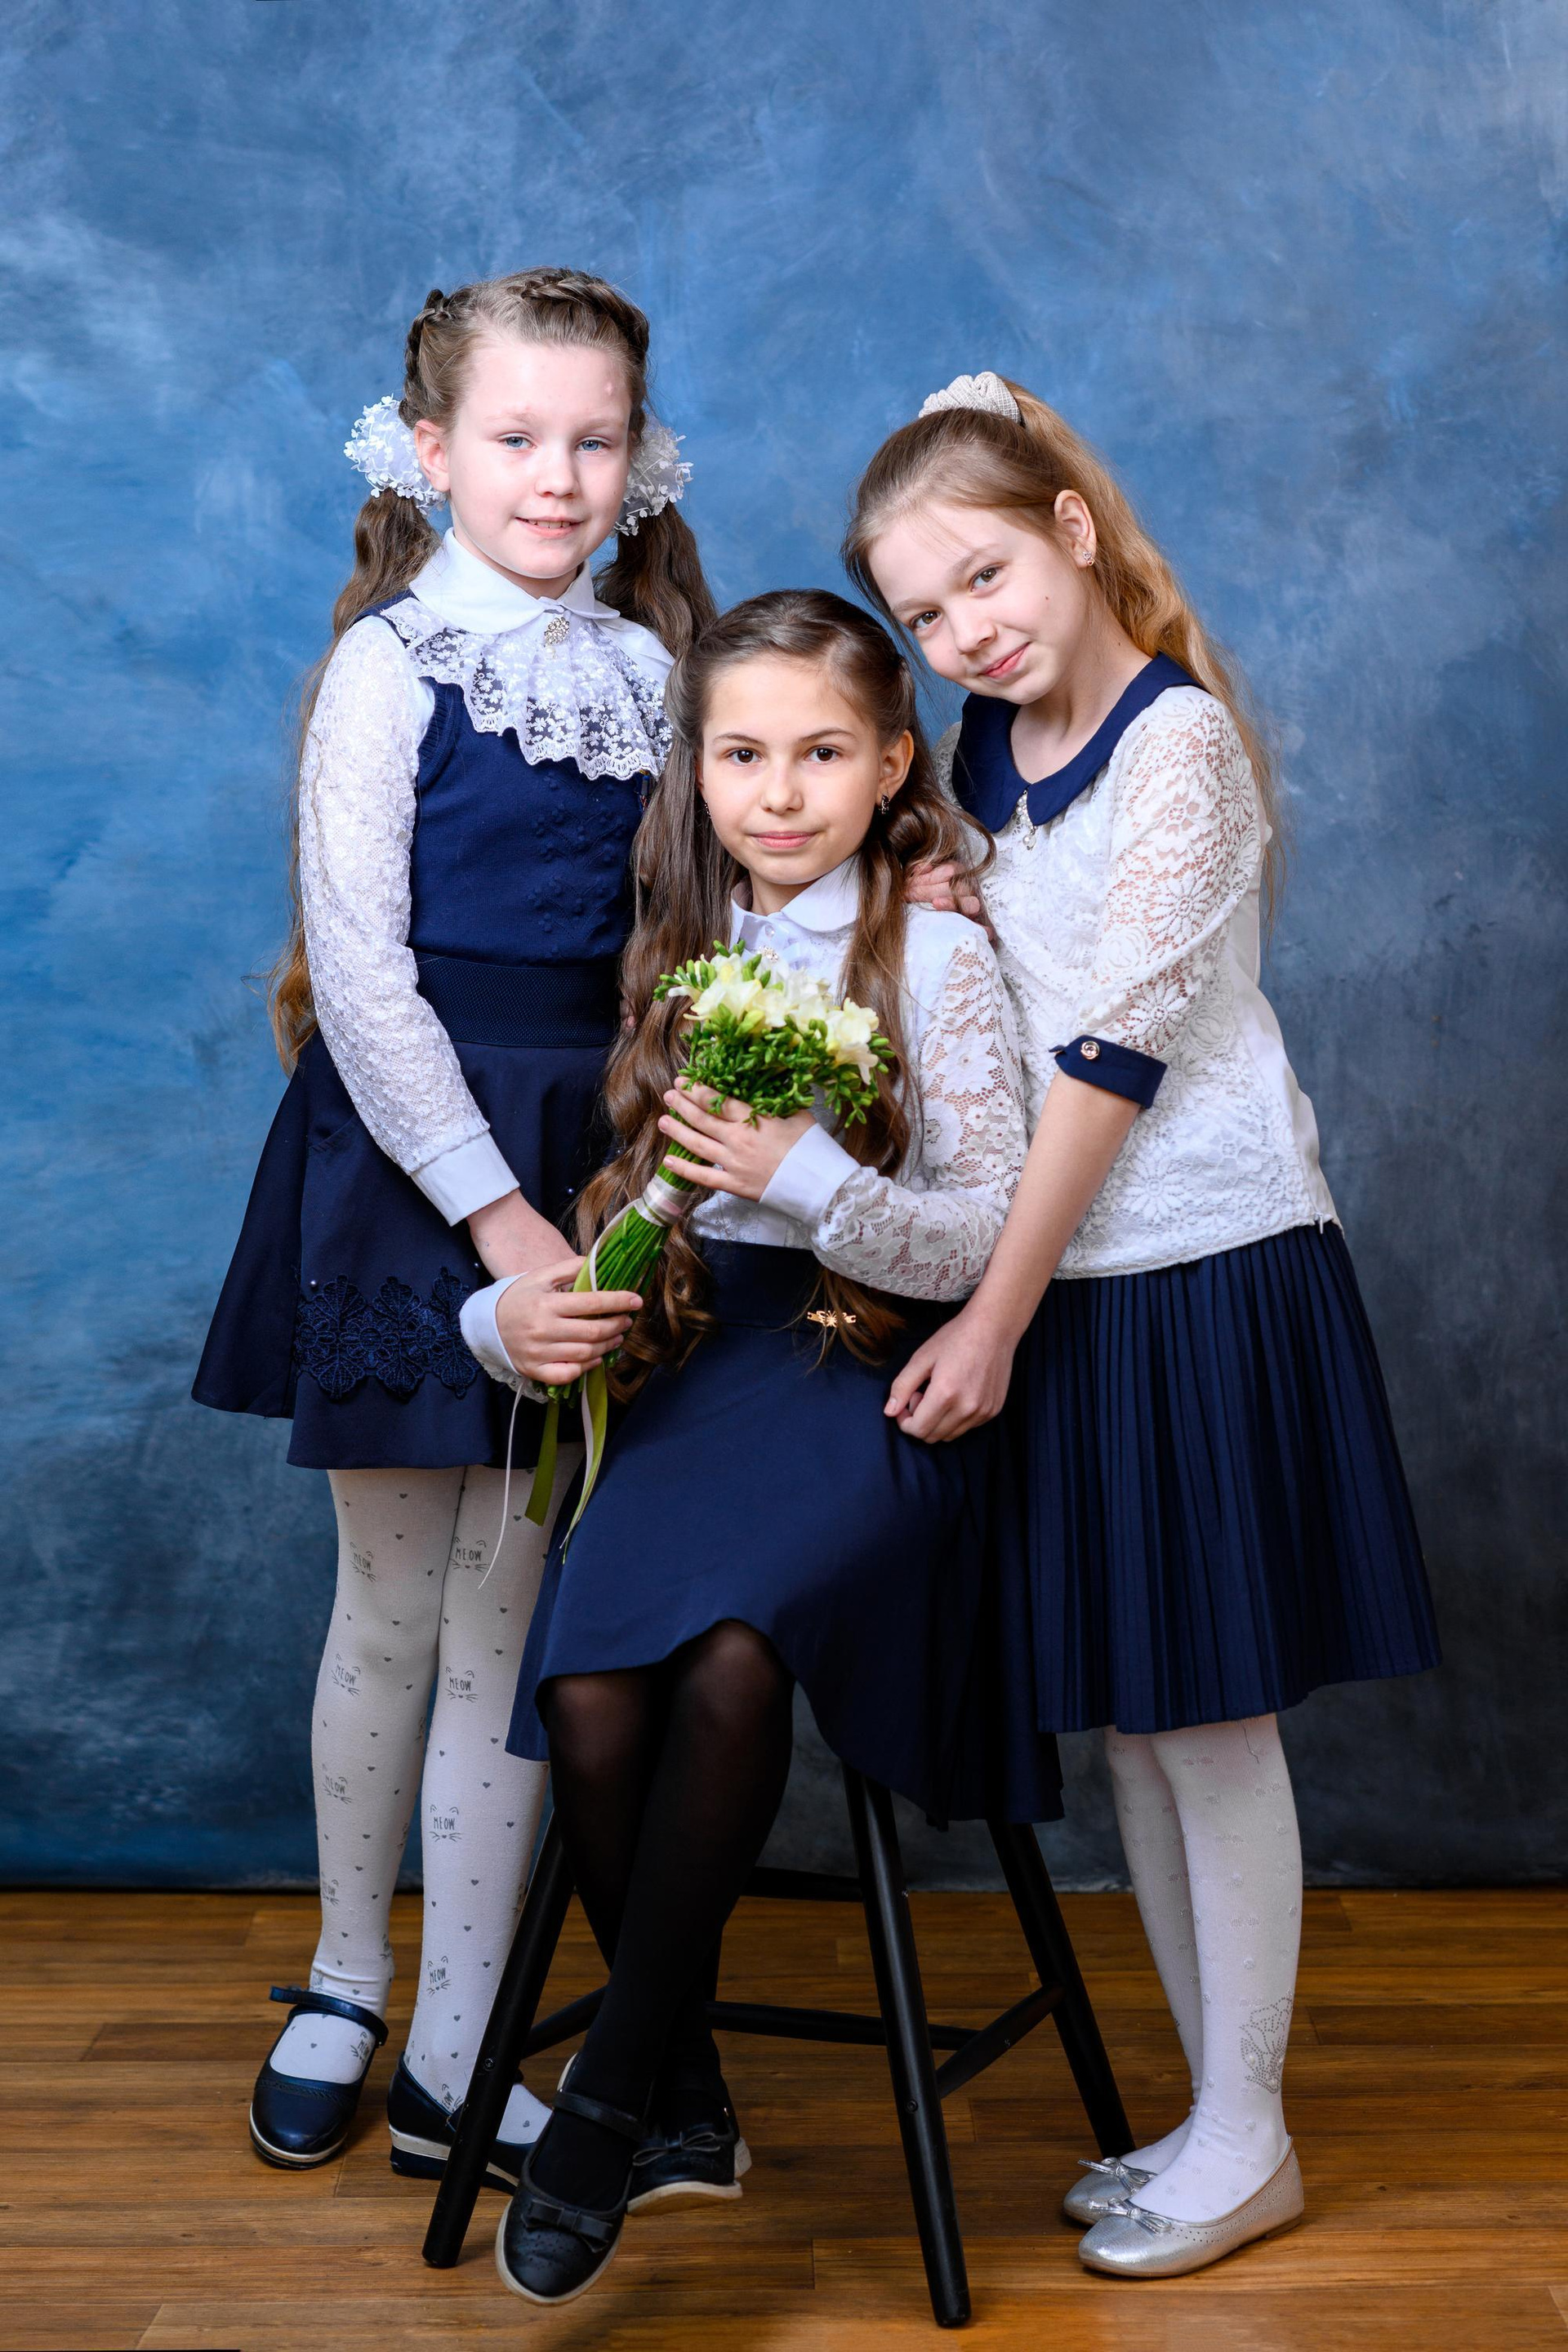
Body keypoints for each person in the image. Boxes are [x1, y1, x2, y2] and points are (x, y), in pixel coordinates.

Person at [844, 371, 1439, 2278]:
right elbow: (1000, 984)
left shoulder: (1178, 744)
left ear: (1074, 529)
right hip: (1071, 1274)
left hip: (1197, 1264)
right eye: (923, 612)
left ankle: (1253, 2136)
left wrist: (989, 1318)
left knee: (1208, 1716)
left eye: (987, 576)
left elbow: (1108, 1065)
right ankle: (1210, 2109)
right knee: (1134, 1728)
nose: (965, 630)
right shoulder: (986, 742)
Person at [460, 589, 1062, 2306]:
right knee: (590, 1690)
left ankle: (613, 2099)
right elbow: (645, 1212)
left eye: (820, 755)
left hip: (866, 1373)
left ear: (892, 766)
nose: (779, 794)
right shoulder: (686, 943)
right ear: (697, 771)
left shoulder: (937, 954)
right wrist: (515, 1315)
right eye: (741, 756)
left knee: (732, 1656)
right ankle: (689, 2091)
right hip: (704, 1367)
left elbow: (989, 1233)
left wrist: (810, 1180)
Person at [192, 268, 714, 2187]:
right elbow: (362, 977)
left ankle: (457, 2054)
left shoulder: (662, 677)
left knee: (518, 1616)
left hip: (596, 1161)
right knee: (397, 1604)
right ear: (431, 451)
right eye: (515, 439)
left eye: (594, 441)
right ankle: (347, 1979)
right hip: (417, 1172)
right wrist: (501, 1226)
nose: (557, 479)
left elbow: (707, 931)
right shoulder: (390, 666)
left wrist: (632, 1194)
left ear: (640, 456)